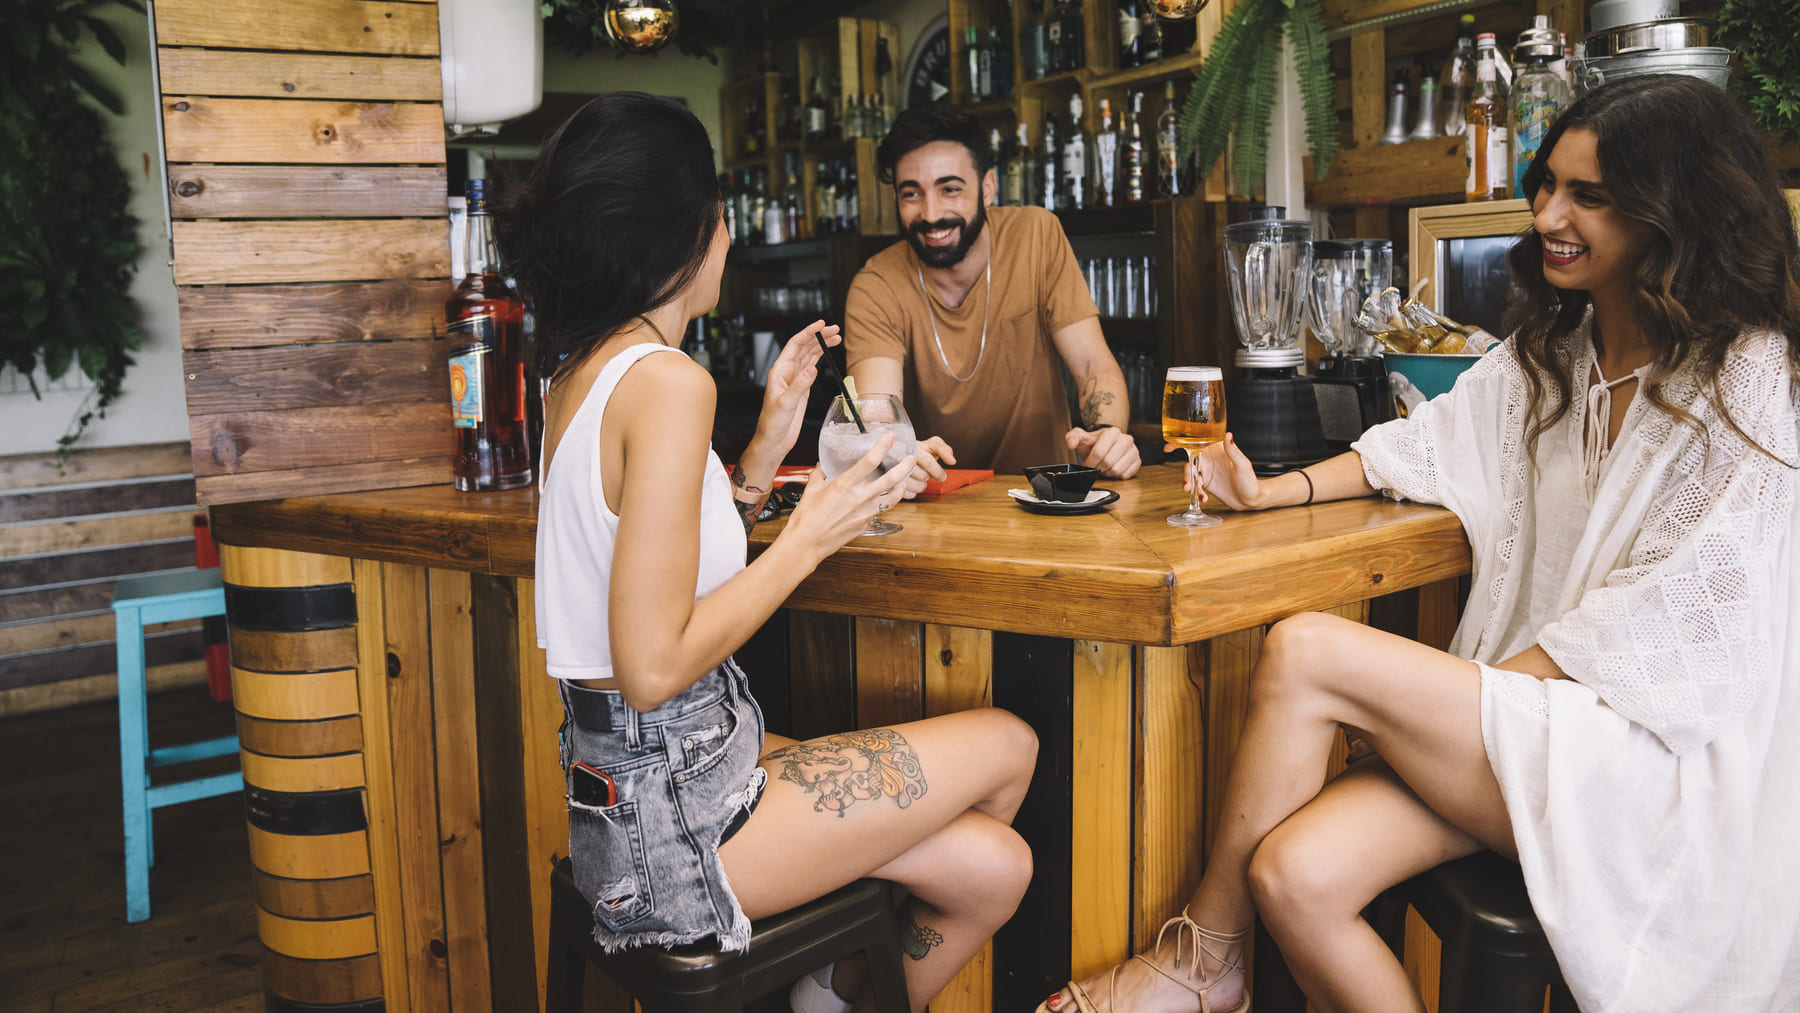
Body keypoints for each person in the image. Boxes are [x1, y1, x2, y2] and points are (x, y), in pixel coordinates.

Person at [1039, 74, 1800, 1013]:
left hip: (1652, 770)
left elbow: (1675, 637)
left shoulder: (1751, 379)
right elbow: (1424, 446)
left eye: (1590, 197)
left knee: (1307, 649)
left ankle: (1200, 964)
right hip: (1527, 731)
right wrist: (1269, 490)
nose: (1551, 214)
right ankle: (1217, 959)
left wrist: (1427, 713)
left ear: (1672, 212)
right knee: (1293, 874)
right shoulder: (1553, 354)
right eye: (1548, 183)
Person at [499, 93, 1039, 1013]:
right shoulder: (668, 382)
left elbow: (647, 562)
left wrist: (758, 457)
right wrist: (807, 539)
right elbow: (654, 662)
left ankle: (823, 999)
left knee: (993, 867)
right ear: (687, 232)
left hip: (641, 799)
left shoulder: (579, 373)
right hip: (682, 820)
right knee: (1009, 745)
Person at [844, 102, 1142, 491]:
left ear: (987, 189)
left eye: (950, 189)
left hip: (1048, 498)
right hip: (937, 506)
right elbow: (877, 408)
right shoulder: (876, 284)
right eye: (911, 194)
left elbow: (1091, 363)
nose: (932, 214)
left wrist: (1107, 434)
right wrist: (893, 451)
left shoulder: (1036, 235)